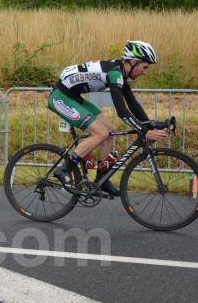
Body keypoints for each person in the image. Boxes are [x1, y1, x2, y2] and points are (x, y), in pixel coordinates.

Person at [47, 40, 169, 196]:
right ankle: (65, 168)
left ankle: (101, 180)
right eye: (144, 67)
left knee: (109, 130)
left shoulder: (121, 74)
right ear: (133, 61)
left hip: (73, 97)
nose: (145, 72)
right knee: (100, 133)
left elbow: (132, 104)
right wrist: (144, 131)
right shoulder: (115, 73)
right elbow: (122, 111)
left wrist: (150, 125)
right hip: (61, 97)